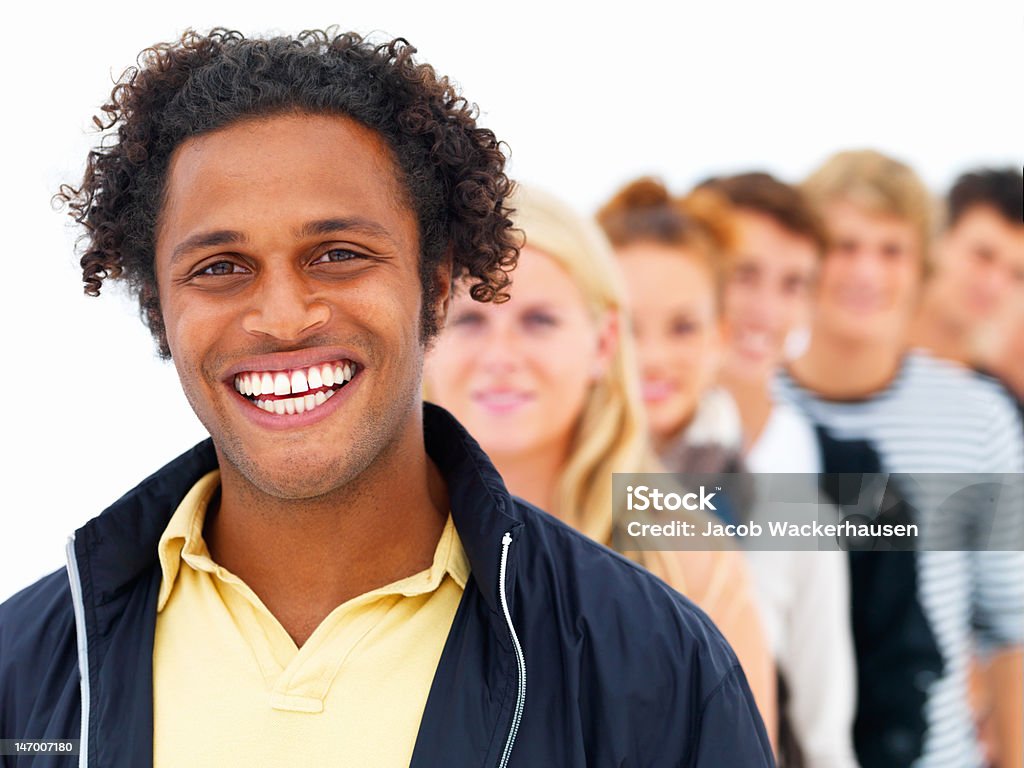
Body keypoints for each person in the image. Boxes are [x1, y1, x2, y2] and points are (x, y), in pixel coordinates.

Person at [0, 28, 774, 768]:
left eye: (338, 255)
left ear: (435, 284)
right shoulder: (24, 671)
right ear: (156, 305)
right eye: (220, 267)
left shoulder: (654, 663)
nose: (281, 318)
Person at [422, 183, 777, 736]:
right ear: (427, 337)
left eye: (539, 320)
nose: (501, 357)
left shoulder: (690, 559)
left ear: (605, 342)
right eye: (470, 320)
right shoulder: (370, 546)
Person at [598, 177, 858, 767]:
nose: (654, 356)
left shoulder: (793, 515)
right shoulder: (525, 494)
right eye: (630, 327)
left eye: (683, 327)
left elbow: (823, 737)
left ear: (719, 336)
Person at [779, 149, 1024, 768]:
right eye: (846, 245)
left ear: (922, 269)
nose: (867, 271)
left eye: (892, 250)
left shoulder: (979, 419)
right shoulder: (749, 412)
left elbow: (1012, 627)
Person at [910, 167, 1024, 368]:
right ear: (937, 238)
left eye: (1017, 274)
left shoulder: (1003, 394)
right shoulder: (850, 353)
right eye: (983, 256)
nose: (995, 285)